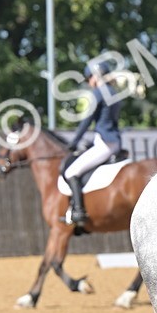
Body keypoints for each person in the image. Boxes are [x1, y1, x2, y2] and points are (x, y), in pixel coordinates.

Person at [62, 61, 124, 225]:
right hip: (114, 141)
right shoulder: (114, 93)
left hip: (105, 143)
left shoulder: (98, 93)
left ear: (96, 77)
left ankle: (78, 211)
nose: (89, 82)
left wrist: (74, 141)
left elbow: (86, 121)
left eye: (90, 77)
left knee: (71, 172)